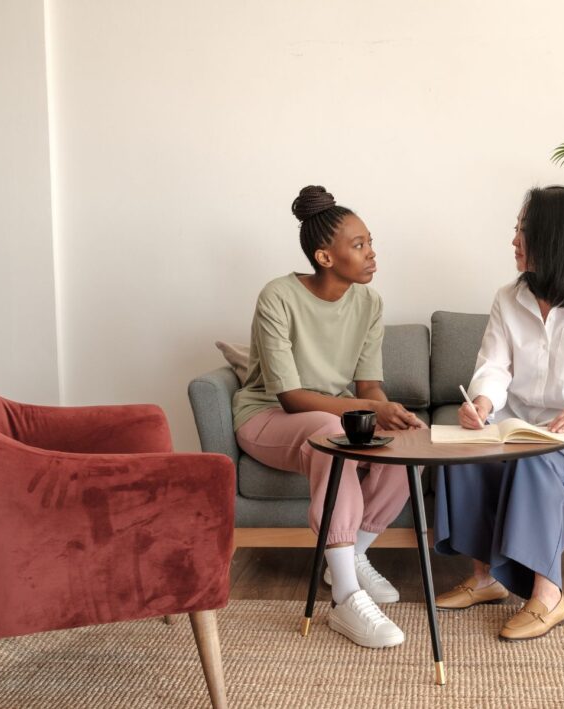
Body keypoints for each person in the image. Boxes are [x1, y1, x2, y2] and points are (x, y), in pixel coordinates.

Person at [433, 185, 564, 641]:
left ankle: (549, 596)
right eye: (516, 229)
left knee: (540, 462)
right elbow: (493, 366)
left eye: (522, 231)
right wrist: (483, 404)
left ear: (555, 237)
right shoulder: (508, 297)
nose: (514, 240)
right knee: (464, 450)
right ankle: (485, 578)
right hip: (523, 418)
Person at [233, 185, 425, 649]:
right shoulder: (277, 296)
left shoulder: (370, 304)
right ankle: (346, 597)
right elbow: (292, 398)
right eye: (358, 246)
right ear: (324, 256)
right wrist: (368, 409)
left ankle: (348, 556)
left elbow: (367, 389)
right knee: (328, 433)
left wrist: (387, 413)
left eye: (370, 242)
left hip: (338, 417)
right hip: (269, 418)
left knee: (406, 445)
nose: (371, 254)